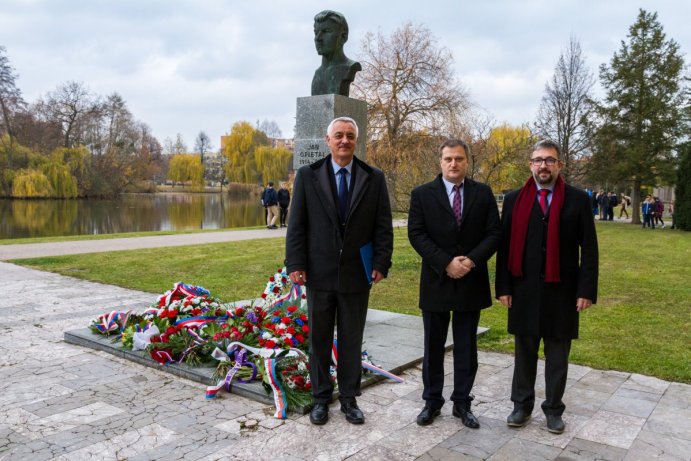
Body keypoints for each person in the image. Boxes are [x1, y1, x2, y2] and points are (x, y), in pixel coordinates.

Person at [285, 117, 393, 425]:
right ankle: (321, 398)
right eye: (338, 136)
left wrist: (381, 263)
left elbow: (382, 226)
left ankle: (349, 399)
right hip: (318, 273)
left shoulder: (373, 177)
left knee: (351, 340)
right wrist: (295, 263)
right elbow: (297, 225)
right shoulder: (308, 175)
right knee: (319, 339)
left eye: (349, 136)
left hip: (356, 275)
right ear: (328, 139)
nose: (344, 141)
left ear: (355, 141)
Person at [495, 140, 599, 434]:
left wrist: (586, 290)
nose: (543, 165)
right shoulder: (515, 199)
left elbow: (589, 249)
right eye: (538, 160)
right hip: (523, 289)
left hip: (562, 292)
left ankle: (554, 409)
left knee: (557, 356)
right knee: (524, 353)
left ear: (559, 165)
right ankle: (521, 405)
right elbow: (505, 247)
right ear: (530, 165)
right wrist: (503, 286)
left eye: (550, 160)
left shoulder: (577, 199)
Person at [408, 139, 501, 428]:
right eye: (448, 159)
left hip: (471, 281)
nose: (453, 164)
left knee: (466, 346)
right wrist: (446, 263)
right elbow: (417, 234)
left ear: (467, 161)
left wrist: (470, 261)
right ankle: (432, 401)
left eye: (459, 158)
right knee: (433, 346)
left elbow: (494, 234)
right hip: (437, 280)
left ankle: (462, 403)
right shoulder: (422, 194)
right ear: (440, 162)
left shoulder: (483, 194)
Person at [311, 10, 362, 97]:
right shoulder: (317, 74)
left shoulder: (350, 67)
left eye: (327, 31)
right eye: (316, 33)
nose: (318, 38)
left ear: (343, 36)